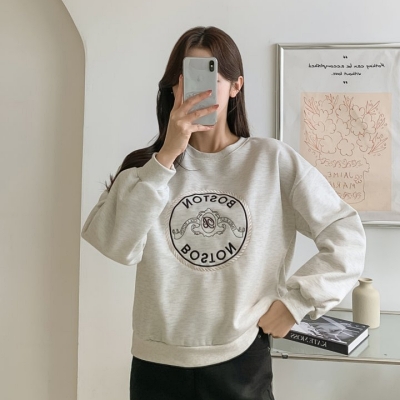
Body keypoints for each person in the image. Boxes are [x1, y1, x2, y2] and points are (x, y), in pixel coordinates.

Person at [81, 26, 366, 400]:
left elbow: (346, 233)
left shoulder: (271, 161)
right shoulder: (148, 170)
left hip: (241, 358)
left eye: (210, 76)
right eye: (186, 78)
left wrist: (297, 302)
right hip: (157, 363)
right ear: (173, 88)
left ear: (236, 86)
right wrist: (166, 157)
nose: (198, 90)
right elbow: (116, 245)